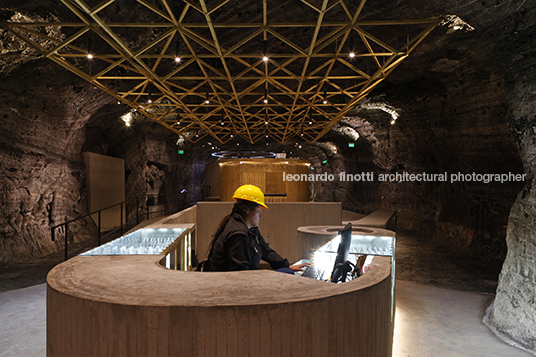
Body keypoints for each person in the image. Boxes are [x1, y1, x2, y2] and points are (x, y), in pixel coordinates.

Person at [202, 184, 309, 273]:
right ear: (247, 209)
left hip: (247, 277)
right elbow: (240, 274)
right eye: (259, 210)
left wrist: (287, 265)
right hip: (233, 284)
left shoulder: (248, 228)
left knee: (287, 271)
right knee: (287, 274)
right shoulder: (239, 234)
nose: (261, 216)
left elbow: (264, 248)